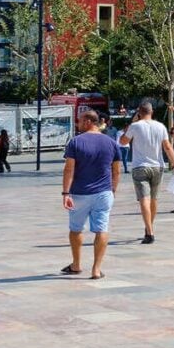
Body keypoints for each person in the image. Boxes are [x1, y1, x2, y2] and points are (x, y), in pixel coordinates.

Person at [61, 108, 121, 279]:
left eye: (80, 120)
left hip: (80, 193)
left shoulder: (75, 142)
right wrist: (113, 190)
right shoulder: (111, 143)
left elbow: (69, 169)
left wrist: (66, 193)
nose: (78, 123)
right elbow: (116, 171)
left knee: (76, 229)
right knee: (102, 229)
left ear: (88, 121)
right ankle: (96, 269)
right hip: (104, 193)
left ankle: (76, 264)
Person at [119, 101, 174, 244]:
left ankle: (149, 232)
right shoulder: (160, 126)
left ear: (139, 113)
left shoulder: (135, 126)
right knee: (154, 199)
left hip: (140, 166)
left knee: (144, 200)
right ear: (151, 112)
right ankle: (149, 228)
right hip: (157, 166)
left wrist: (132, 122)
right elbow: (167, 147)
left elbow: (123, 141)